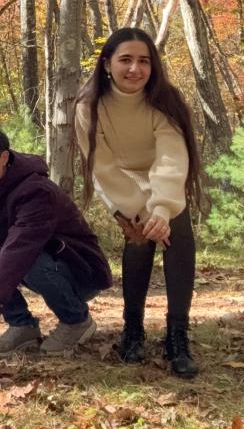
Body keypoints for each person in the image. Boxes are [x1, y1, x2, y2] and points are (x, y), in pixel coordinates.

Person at [74, 27, 202, 379]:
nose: (135, 69)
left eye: (143, 61)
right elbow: (102, 167)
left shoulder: (165, 101)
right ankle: (133, 329)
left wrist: (161, 208)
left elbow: (171, 158)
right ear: (107, 64)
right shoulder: (89, 107)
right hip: (120, 187)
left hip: (165, 183)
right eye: (125, 60)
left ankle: (177, 335)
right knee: (139, 239)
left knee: (176, 229)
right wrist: (139, 213)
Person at [0, 126, 112, 357]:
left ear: (4, 157)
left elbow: (20, 247)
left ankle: (76, 320)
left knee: (28, 256)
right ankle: (21, 325)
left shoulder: (35, 191)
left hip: (80, 273)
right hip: (43, 263)